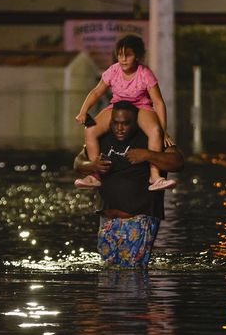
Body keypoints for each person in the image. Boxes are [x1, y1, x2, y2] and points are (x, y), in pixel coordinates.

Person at [74, 101, 184, 268]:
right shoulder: (102, 137)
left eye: (126, 123)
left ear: (136, 122)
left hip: (139, 220)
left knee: (132, 275)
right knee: (108, 273)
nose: (120, 128)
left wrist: (148, 155)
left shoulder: (152, 138)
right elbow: (78, 162)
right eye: (116, 123)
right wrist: (91, 166)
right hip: (107, 221)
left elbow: (177, 162)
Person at [74, 34, 175, 191]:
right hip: (117, 107)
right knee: (90, 130)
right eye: (120, 55)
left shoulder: (145, 73)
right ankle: (95, 176)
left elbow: (158, 102)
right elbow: (96, 92)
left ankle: (155, 176)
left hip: (141, 106)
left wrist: (164, 131)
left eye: (128, 55)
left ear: (137, 56)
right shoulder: (113, 71)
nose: (123, 59)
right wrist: (83, 111)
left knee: (155, 131)